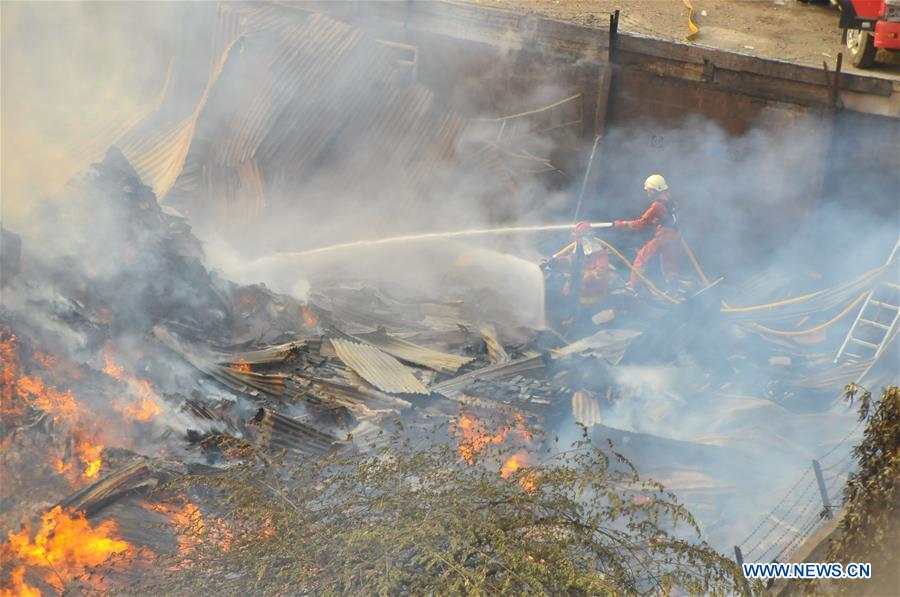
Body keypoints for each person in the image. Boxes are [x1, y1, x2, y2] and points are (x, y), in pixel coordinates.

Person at [613, 174, 680, 291]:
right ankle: (674, 289)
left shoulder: (657, 206)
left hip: (663, 238)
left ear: (655, 189)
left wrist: (623, 224)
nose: (647, 192)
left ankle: (634, 287)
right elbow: (667, 217)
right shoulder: (670, 200)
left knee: (641, 258)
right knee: (669, 266)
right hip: (674, 236)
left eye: (649, 190)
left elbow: (642, 223)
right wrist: (657, 221)